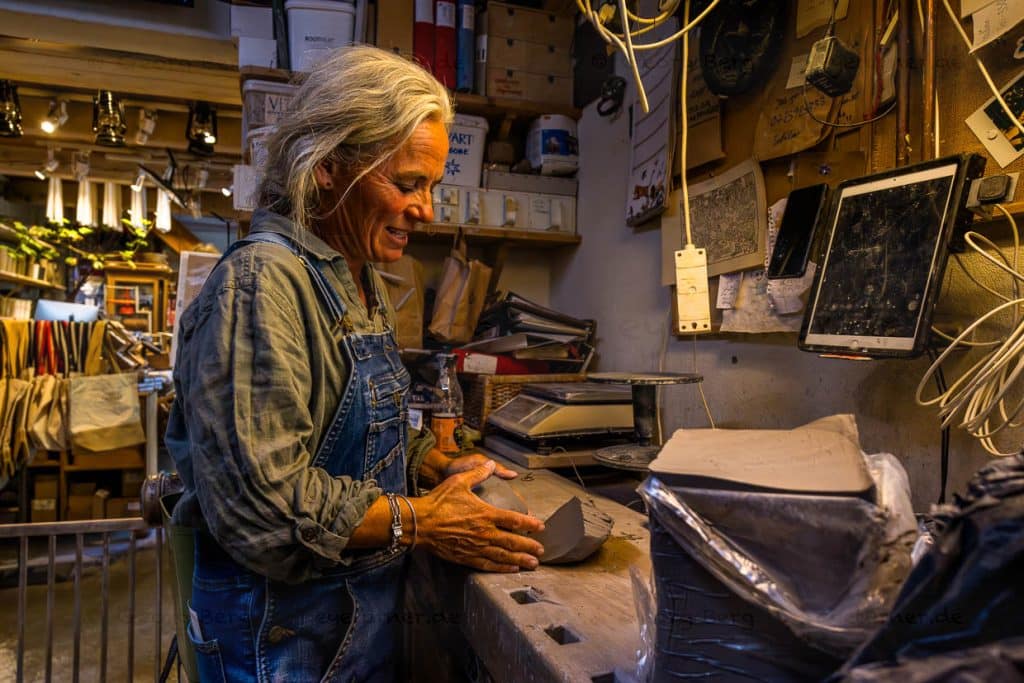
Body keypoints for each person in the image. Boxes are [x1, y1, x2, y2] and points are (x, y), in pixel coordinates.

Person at [165, 45, 545, 682]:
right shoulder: (262, 286)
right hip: (277, 641)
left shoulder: (353, 280)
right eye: (406, 183)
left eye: (430, 187)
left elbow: (349, 427)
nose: (425, 209)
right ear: (326, 168)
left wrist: (431, 458)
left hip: (342, 628)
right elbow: (266, 507)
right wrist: (424, 519)